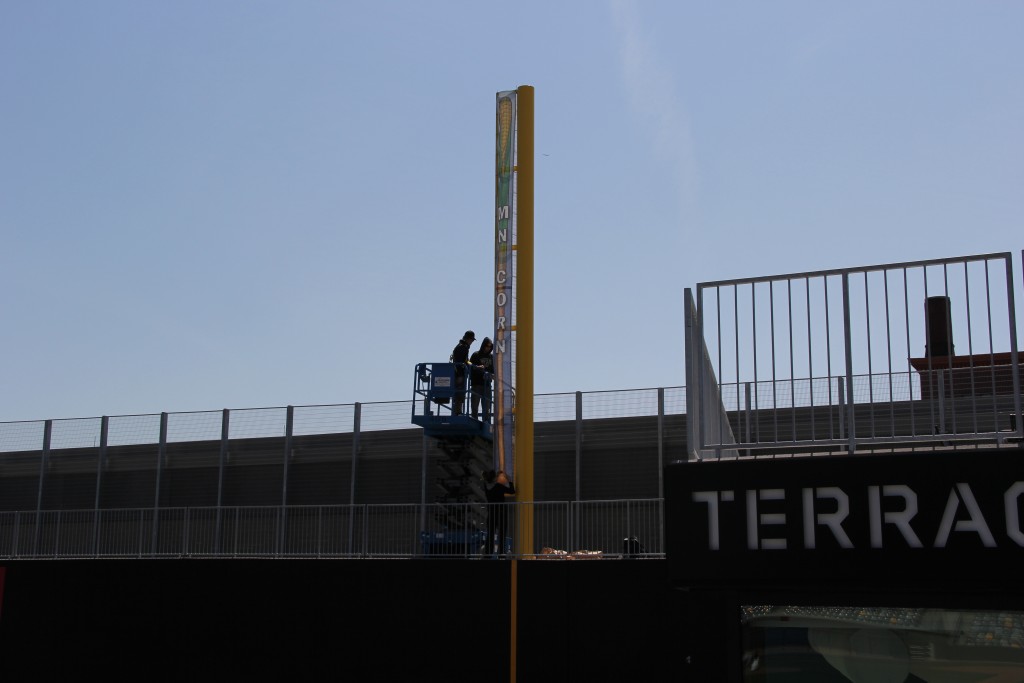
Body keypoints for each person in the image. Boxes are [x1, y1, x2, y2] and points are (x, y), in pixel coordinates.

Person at [483, 469, 515, 557]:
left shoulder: (486, 486)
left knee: (490, 534)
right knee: (502, 534)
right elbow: (512, 491)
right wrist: (509, 480)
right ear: (495, 477)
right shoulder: (498, 486)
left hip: (491, 513)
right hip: (501, 513)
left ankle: (487, 554)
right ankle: (501, 554)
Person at [450, 330, 475, 415]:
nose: (471, 342)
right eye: (471, 340)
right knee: (459, 392)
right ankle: (458, 411)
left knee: (459, 392)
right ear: (468, 339)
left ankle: (457, 411)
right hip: (459, 374)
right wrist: (461, 374)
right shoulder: (462, 347)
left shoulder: (462, 346)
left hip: (459, 373)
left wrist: (472, 365)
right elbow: (461, 362)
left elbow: (465, 361)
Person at [469, 337, 494, 421]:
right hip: (476, 384)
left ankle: (486, 421)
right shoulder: (476, 355)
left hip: (487, 385)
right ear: (483, 345)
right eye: (487, 346)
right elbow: (470, 367)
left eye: (490, 346)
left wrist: (492, 375)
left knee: (487, 406)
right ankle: (474, 419)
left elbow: (494, 370)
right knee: (474, 405)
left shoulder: (491, 357)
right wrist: (478, 368)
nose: (488, 348)